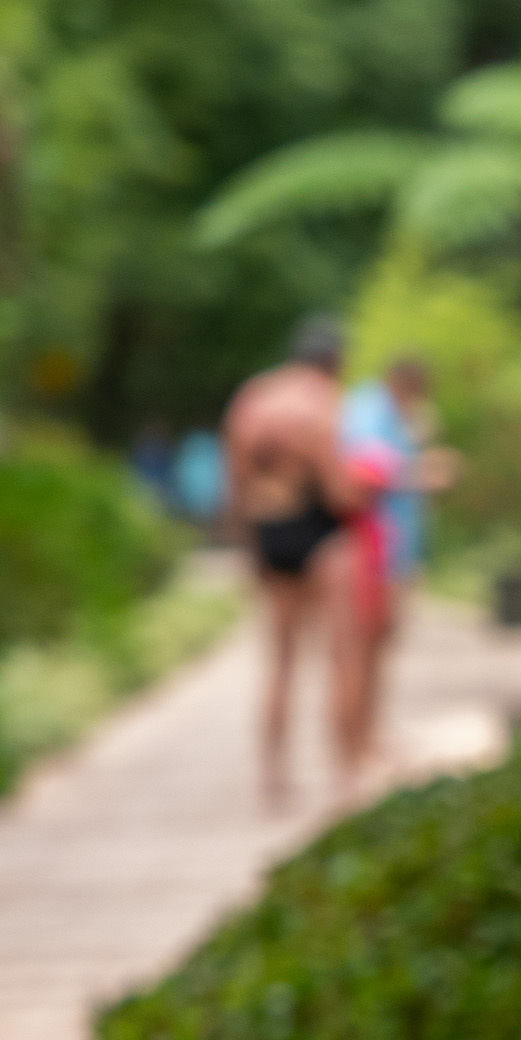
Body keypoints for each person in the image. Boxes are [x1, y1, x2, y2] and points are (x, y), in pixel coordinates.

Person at [222, 315, 364, 807]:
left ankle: (273, 777)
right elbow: (338, 490)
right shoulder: (324, 402)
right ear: (334, 360)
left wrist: (250, 549)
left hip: (270, 529)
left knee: (280, 660)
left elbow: (235, 485)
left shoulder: (252, 400)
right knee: (341, 655)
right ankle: (347, 776)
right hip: (320, 531)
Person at [340, 356, 458, 763]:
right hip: (375, 545)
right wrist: (422, 473)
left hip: (395, 546)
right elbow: (364, 472)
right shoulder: (368, 410)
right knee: (366, 644)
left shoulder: (394, 415)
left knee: (381, 643)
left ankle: (370, 734)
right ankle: (357, 741)